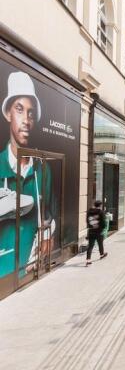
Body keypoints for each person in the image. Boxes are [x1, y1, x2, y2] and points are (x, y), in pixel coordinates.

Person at [0, 72, 59, 278]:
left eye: (31, 113)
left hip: (29, 271)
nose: (26, 119)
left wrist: (47, 235)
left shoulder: (42, 169)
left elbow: (50, 215)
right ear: (8, 113)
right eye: (19, 109)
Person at [85, 200, 108, 266]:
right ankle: (101, 254)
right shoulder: (101, 212)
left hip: (91, 230)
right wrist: (103, 228)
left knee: (90, 246)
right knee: (100, 243)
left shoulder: (89, 211)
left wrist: (91, 226)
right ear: (100, 205)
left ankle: (88, 260)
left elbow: (87, 221)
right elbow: (103, 222)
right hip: (99, 231)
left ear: (95, 205)